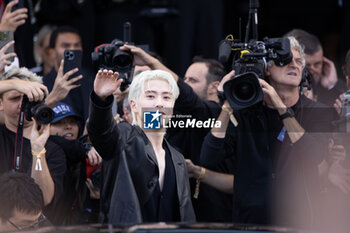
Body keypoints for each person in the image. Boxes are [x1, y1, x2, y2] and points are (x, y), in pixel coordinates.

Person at [192, 37, 337, 229]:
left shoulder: (318, 111)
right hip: (250, 223)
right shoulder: (247, 113)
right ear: (266, 69)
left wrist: (280, 106)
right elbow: (209, 157)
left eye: (298, 61)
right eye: (284, 60)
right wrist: (227, 105)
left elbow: (315, 156)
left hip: (299, 222)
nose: (293, 65)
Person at [87, 69, 196, 224]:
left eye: (166, 97)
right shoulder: (124, 136)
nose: (159, 103)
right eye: (150, 96)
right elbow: (101, 132)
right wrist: (101, 99)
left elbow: (186, 215)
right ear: (134, 105)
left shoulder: (177, 158)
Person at [0, 66, 66, 224]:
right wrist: (14, 84)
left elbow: (43, 198)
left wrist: (37, 150)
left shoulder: (52, 148)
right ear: (0, 103)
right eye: (15, 98)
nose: (21, 106)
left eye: (28, 100)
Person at [49, 102, 102, 224]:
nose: (68, 126)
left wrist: (97, 198)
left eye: (72, 122)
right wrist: (85, 148)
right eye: (58, 122)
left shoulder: (88, 156)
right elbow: (55, 141)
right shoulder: (43, 150)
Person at [43, 26, 94, 122]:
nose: (72, 50)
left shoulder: (93, 80)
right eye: (65, 46)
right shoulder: (42, 84)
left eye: (76, 45)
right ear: (52, 52)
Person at [284, 29, 346, 106]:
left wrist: (333, 85)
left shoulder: (330, 87)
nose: (312, 70)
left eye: (317, 64)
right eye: (307, 65)